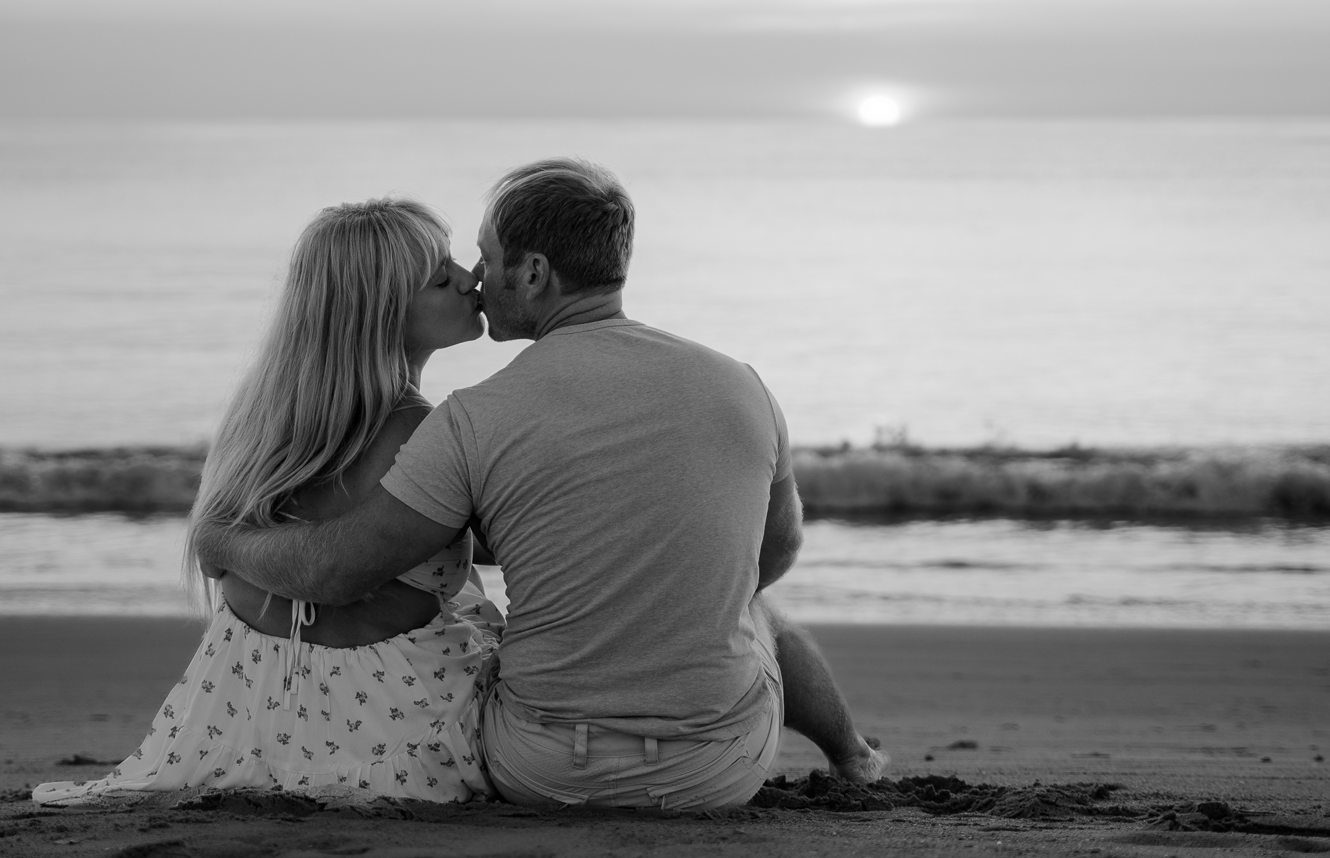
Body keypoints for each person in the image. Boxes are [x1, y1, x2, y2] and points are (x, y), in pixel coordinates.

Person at [195, 159, 887, 810]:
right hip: (717, 771)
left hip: (538, 768)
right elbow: (773, 555)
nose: (474, 277)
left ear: (531, 273)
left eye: (485, 258)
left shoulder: (472, 419)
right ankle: (856, 762)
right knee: (754, 610)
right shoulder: (741, 386)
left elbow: (339, 569)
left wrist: (225, 538)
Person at [35, 198, 505, 805]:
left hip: (240, 711)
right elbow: (520, 537)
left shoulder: (266, 418)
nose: (471, 279)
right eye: (443, 278)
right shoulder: (419, 429)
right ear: (381, 313)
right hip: (387, 725)